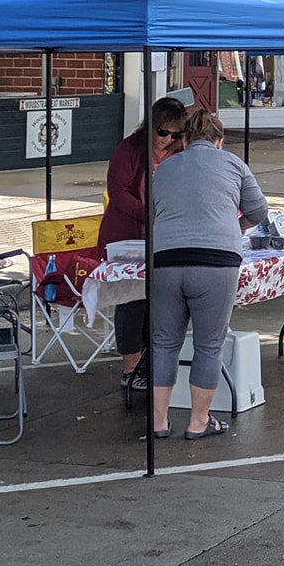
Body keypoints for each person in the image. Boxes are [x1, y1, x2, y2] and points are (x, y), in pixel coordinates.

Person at [150, 110, 267, 442]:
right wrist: (235, 227)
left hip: (167, 260)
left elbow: (153, 211)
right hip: (217, 262)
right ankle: (198, 421)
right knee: (209, 345)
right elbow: (258, 210)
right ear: (219, 141)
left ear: (184, 139)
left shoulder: (164, 168)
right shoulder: (233, 164)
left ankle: (159, 421)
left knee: (164, 342)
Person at [99, 96, 189, 405]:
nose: (169, 140)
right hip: (127, 235)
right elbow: (118, 192)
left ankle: (151, 362)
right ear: (152, 127)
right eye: (164, 132)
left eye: (177, 134)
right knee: (131, 299)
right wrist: (148, 214)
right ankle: (130, 366)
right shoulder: (129, 150)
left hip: (162, 236)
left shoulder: (179, 152)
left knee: (160, 299)